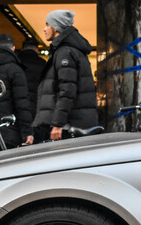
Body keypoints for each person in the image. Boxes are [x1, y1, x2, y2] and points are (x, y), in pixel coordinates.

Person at [33, 10, 98, 142]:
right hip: (70, 123)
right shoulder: (69, 50)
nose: (44, 29)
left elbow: (67, 90)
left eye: (47, 25)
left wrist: (58, 124)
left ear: (56, 27)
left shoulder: (65, 52)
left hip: (66, 127)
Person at [17, 39, 46, 118]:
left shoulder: (15, 61)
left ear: (22, 49)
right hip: (35, 105)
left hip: (16, 104)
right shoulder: (43, 64)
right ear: (37, 50)